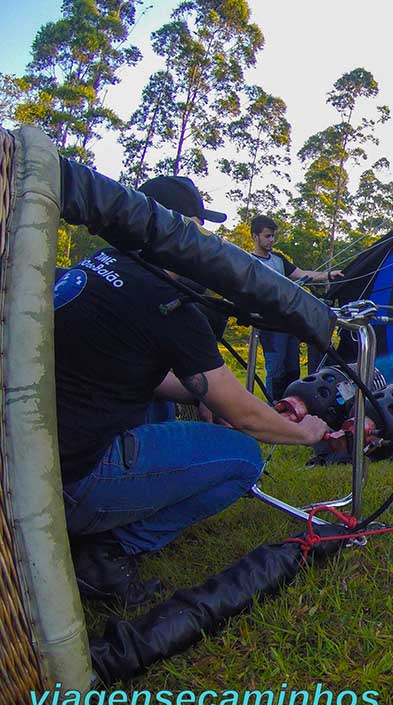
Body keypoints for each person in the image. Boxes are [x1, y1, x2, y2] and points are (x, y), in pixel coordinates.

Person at [53, 176, 333, 607]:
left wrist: (201, 394)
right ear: (171, 228)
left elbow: (136, 373)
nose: (201, 242)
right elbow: (243, 416)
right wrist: (306, 432)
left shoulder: (94, 268)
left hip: (35, 464)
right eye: (196, 229)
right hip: (71, 483)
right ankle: (107, 550)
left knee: (162, 402)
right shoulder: (168, 302)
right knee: (243, 459)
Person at [248, 215, 342, 400]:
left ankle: (292, 403)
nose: (271, 240)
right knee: (275, 370)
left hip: (290, 322)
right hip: (270, 325)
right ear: (254, 236)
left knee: (293, 368)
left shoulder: (278, 259)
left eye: (273, 236)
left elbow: (302, 274)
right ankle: (273, 406)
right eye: (267, 236)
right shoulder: (249, 261)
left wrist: (329, 275)